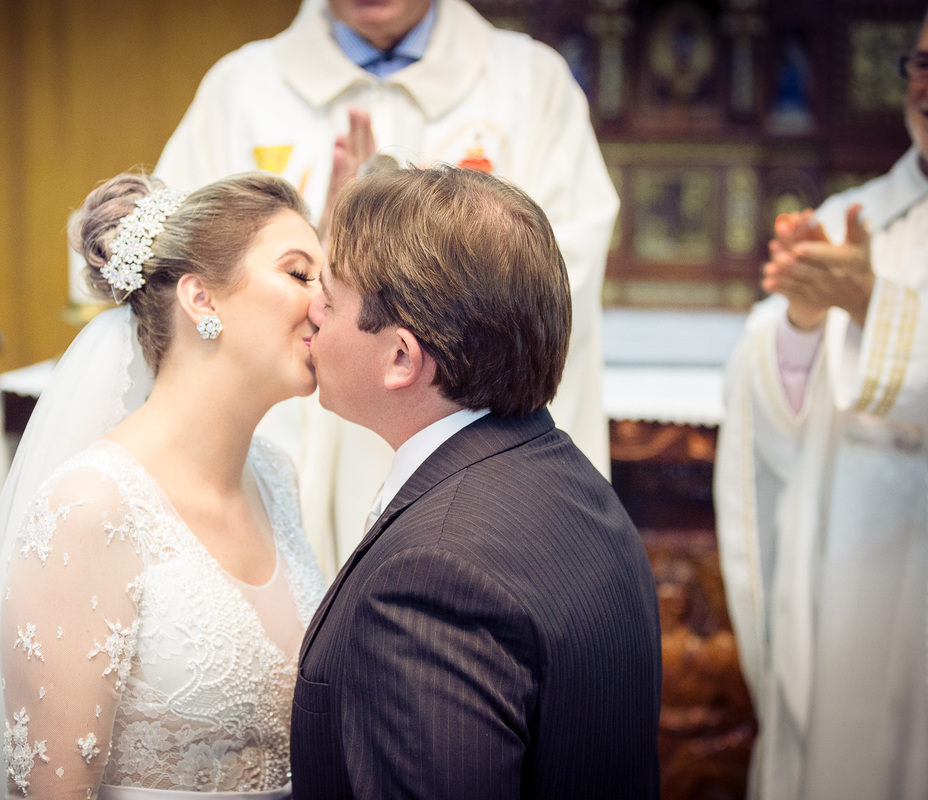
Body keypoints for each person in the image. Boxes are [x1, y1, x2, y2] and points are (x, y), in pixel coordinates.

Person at [0, 172, 329, 799]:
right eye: (299, 274)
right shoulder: (91, 510)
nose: (325, 302)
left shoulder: (276, 478)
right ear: (201, 299)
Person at [156, 0, 619, 574]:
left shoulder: (529, 84)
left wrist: (385, 263)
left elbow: (557, 269)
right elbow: (181, 272)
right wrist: (319, 252)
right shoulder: (241, 91)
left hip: (470, 477)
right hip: (286, 445)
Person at [289, 164, 661, 798]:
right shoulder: (574, 485)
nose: (312, 308)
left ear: (401, 357)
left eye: (333, 293)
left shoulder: (430, 580)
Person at [715, 15, 928, 799]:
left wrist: (878, 306)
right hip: (849, 574)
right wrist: (803, 325)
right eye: (922, 63)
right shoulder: (851, 218)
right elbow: (764, 396)